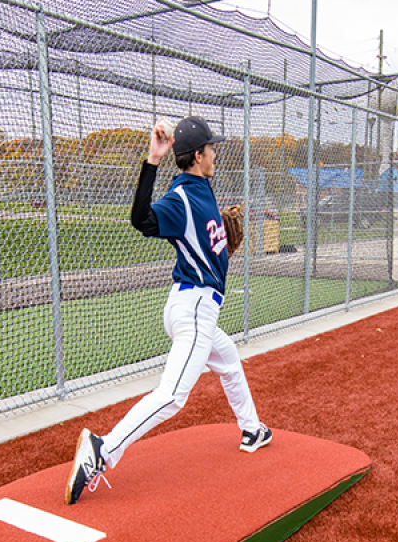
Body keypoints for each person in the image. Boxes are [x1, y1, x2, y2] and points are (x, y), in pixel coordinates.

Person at [65, 115, 272, 504]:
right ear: (197, 156)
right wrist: (153, 159)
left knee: (228, 359)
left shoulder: (202, 187)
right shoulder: (181, 197)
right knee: (173, 395)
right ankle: (102, 450)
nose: (215, 154)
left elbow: (205, 235)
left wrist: (219, 239)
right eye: (211, 149)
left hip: (194, 306)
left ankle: (253, 429)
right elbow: (141, 219)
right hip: (193, 308)